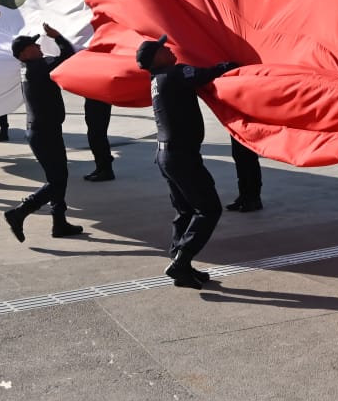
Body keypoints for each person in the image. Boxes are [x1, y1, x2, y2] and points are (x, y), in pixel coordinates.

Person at [137, 34, 238, 289]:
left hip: (166, 155)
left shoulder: (157, 79)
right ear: (156, 58)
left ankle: (180, 264)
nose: (169, 49)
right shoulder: (175, 73)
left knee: (185, 210)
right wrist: (232, 64)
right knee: (209, 209)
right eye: (163, 48)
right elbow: (208, 73)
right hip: (181, 156)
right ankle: (181, 261)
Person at [2, 25, 85, 241]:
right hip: (44, 133)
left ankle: (59, 222)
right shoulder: (37, 67)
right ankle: (20, 212)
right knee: (57, 180)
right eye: (33, 45)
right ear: (23, 53)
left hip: (43, 131)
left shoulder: (28, 67)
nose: (38, 46)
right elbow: (67, 56)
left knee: (58, 177)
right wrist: (58, 37)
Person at [226, 138, 263, 211]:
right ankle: (243, 196)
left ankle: (254, 198)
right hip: (236, 130)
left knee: (249, 157)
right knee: (238, 154)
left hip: (248, 131)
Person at [83, 97, 116, 181]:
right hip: (93, 96)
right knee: (94, 133)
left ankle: (106, 170)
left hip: (99, 98)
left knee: (97, 133)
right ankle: (101, 167)